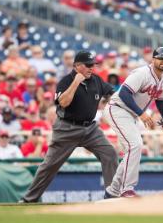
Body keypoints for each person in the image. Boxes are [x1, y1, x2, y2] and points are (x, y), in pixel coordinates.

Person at [19, 50, 118, 203]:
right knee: (49, 166)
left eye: (93, 65)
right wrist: (76, 82)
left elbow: (113, 94)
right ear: (77, 66)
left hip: (90, 129)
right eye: (88, 65)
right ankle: (29, 199)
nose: (92, 68)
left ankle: (112, 196)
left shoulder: (96, 80)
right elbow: (63, 103)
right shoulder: (65, 81)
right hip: (67, 128)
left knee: (110, 153)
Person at [103, 47, 163, 198]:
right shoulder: (142, 73)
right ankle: (126, 189)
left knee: (133, 149)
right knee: (135, 145)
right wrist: (141, 113)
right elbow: (124, 93)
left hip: (131, 114)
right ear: (153, 59)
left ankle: (112, 191)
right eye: (161, 58)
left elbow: (160, 101)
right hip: (117, 108)